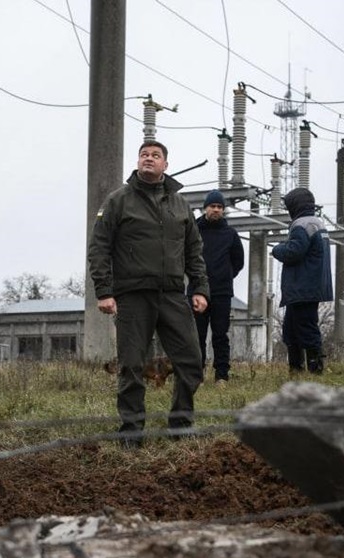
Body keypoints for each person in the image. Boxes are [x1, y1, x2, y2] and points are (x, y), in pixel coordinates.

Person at [88, 140, 210, 443]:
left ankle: (180, 425)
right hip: (132, 295)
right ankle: (132, 432)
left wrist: (200, 288)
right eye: (144, 155)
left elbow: (194, 250)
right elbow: (99, 247)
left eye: (156, 156)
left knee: (191, 362)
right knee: (131, 365)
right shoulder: (119, 200)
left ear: (165, 165)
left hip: (171, 295)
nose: (149, 159)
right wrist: (104, 291)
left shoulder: (180, 204)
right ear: (138, 161)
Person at [271, 187, 333, 374]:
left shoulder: (301, 225)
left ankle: (315, 370)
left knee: (306, 329)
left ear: (294, 206)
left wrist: (277, 249)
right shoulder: (317, 223)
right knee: (291, 329)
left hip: (302, 288)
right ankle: (297, 370)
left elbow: (293, 251)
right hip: (311, 287)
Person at [192, 189, 245, 385]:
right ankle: (196, 375)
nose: (216, 210)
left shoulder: (230, 234)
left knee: (220, 334)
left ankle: (221, 375)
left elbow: (238, 262)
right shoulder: (194, 230)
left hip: (222, 292)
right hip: (198, 291)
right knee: (197, 335)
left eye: (219, 207)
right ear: (205, 208)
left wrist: (225, 276)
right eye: (212, 206)